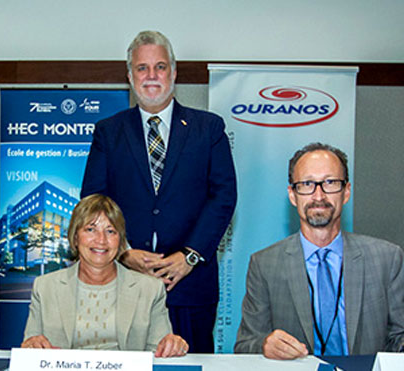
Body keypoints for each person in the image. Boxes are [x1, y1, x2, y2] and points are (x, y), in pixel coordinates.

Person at [80, 30, 237, 353]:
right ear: (130, 75)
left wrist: (189, 256)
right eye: (142, 68)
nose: (151, 76)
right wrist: (123, 251)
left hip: (190, 284)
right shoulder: (108, 132)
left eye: (160, 67)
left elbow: (223, 197)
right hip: (122, 280)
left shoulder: (208, 129)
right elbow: (93, 202)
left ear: (174, 73)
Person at [234, 142, 404, 358]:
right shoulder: (264, 264)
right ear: (293, 195)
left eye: (330, 182)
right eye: (307, 184)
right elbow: (244, 346)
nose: (318, 196)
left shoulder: (387, 259)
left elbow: (399, 337)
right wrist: (265, 345)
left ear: (346, 192)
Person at [22, 194, 188, 357]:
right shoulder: (45, 287)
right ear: (75, 237)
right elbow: (32, 347)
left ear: (121, 241)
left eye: (110, 231)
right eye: (90, 229)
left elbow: (159, 354)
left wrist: (172, 345)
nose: (101, 240)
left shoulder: (150, 289)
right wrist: (32, 345)